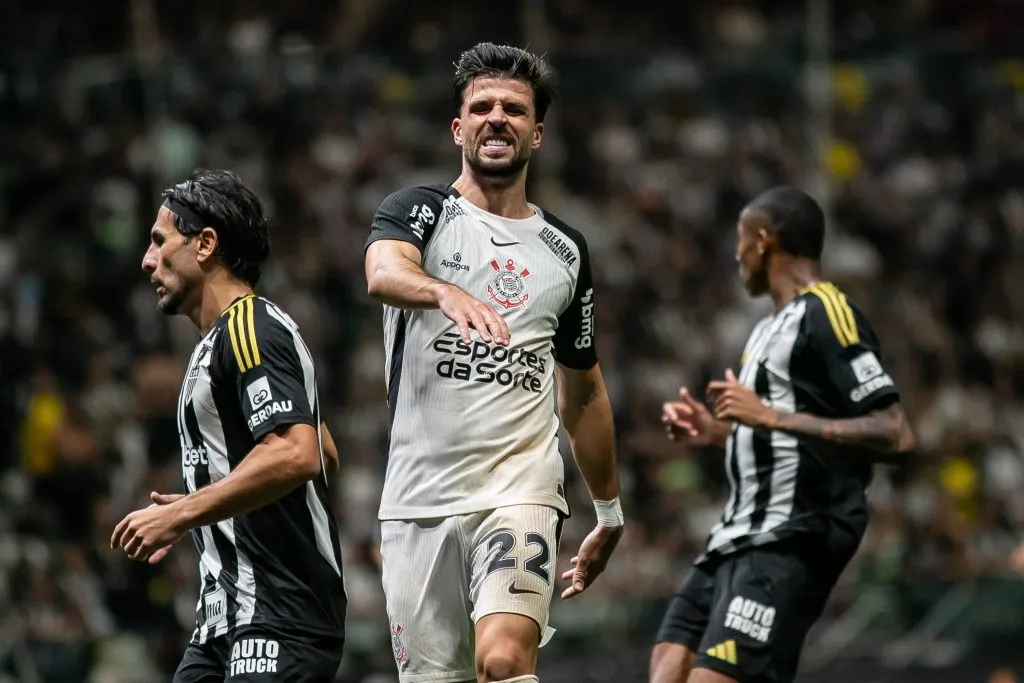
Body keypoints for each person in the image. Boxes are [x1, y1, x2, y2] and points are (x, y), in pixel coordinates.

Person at [363, 42, 623, 683]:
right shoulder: (419, 212)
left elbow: (583, 393)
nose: (496, 117)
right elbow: (382, 270)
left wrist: (610, 513)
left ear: (537, 132)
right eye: (481, 107)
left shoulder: (565, 252)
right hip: (416, 504)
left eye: (514, 108)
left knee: (503, 664)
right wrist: (442, 290)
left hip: (519, 492)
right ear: (458, 128)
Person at [651, 187, 916, 683]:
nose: (736, 253)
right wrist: (719, 432)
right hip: (733, 536)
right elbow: (791, 442)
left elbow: (894, 432)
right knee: (667, 668)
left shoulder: (828, 312)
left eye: (741, 239)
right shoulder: (765, 330)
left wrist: (769, 418)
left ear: (764, 241)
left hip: (789, 537)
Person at [111, 169, 346, 682]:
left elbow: (300, 453)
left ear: (205, 244)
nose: (147, 260)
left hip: (278, 614)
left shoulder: (250, 327)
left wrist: (187, 513)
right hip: (223, 620)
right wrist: (218, 498)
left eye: (159, 241)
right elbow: (325, 449)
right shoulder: (219, 342)